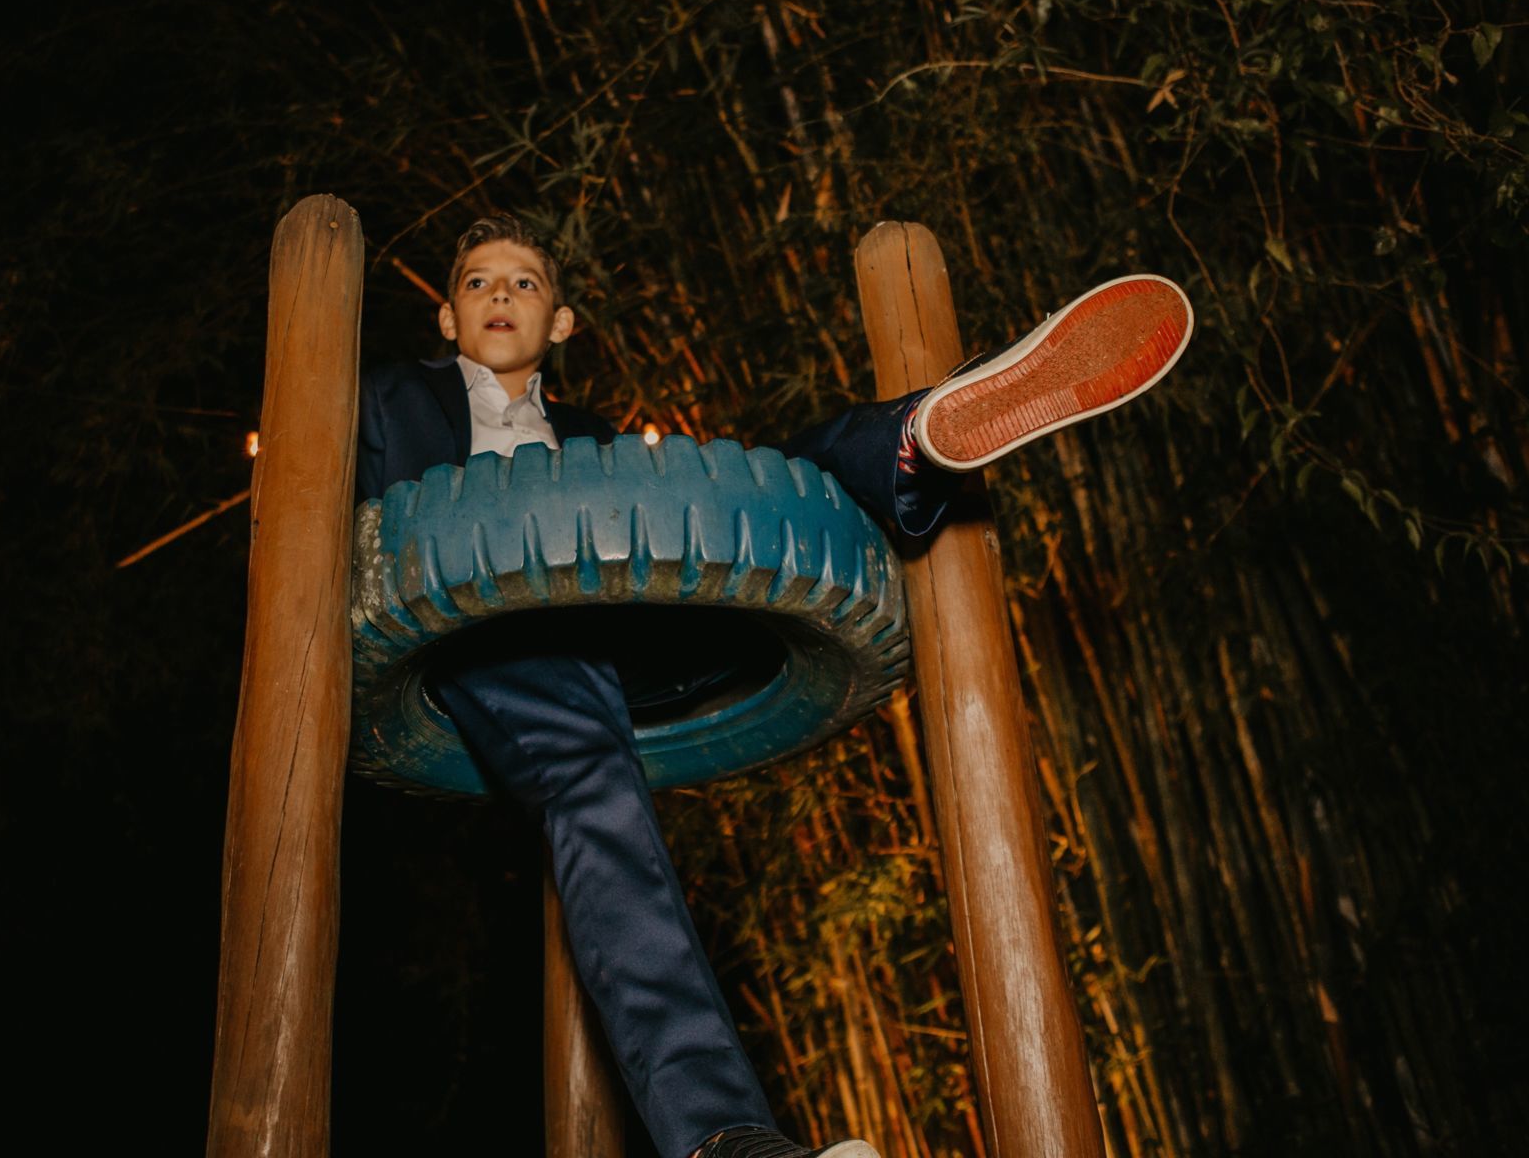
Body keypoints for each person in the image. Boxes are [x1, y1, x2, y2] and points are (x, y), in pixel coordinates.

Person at [354, 213, 1192, 1158]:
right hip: (481, 632)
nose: (499, 294)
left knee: (781, 479)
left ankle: (914, 439)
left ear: (563, 325)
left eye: (523, 283)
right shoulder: (383, 402)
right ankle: (724, 1141)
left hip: (623, 626)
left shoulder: (593, 436)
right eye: (476, 281)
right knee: (594, 788)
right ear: (443, 316)